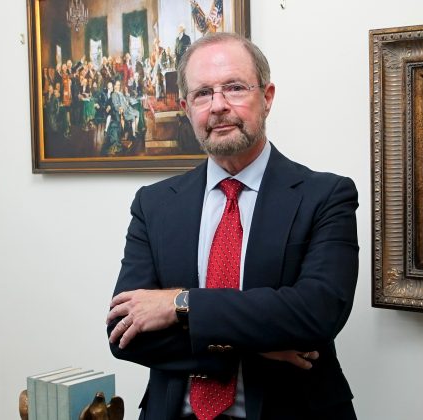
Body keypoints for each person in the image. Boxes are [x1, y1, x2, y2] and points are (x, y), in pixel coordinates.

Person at [106, 33, 359, 420]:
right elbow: (125, 334)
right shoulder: (154, 204)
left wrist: (180, 304)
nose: (219, 106)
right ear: (186, 108)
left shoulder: (325, 196)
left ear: (268, 97)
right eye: (203, 94)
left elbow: (315, 315)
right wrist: (256, 342)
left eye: (235, 88)